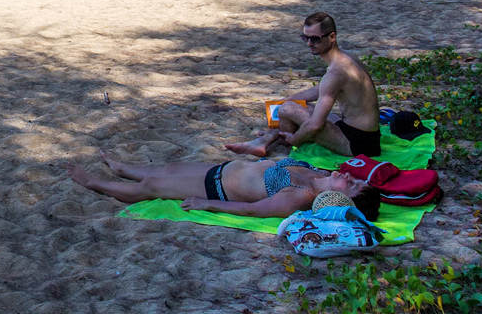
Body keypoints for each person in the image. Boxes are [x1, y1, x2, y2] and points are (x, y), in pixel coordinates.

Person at [225, 12, 384, 159]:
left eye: (315, 39)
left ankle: (281, 143)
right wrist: (289, 98)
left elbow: (315, 125)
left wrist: (296, 138)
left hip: (359, 145)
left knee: (287, 109)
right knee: (292, 104)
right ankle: (266, 140)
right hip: (364, 134)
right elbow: (320, 89)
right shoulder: (346, 58)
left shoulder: (336, 72)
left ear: (332, 37)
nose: (309, 44)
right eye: (305, 38)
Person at [66, 153, 381, 220]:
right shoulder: (317, 171)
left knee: (152, 186)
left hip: (215, 187)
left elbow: (253, 209)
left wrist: (209, 205)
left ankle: (96, 184)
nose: (352, 177)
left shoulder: (301, 197)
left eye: (354, 185)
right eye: (357, 177)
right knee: (169, 165)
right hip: (225, 169)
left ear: (341, 200)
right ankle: (123, 167)